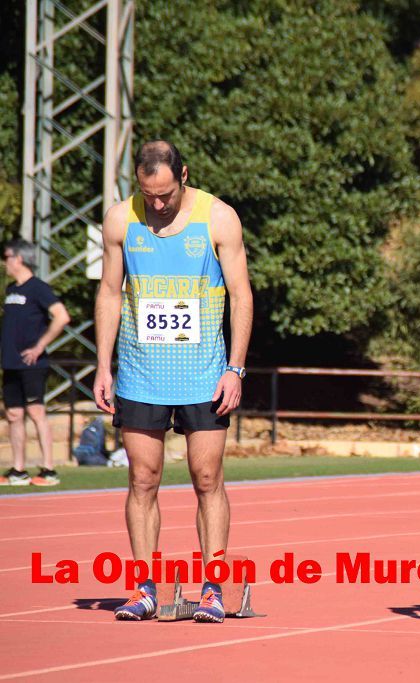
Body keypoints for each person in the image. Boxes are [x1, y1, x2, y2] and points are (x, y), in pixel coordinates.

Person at [93, 141, 253, 622]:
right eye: (149, 195)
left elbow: (242, 296)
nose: (158, 205)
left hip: (204, 374)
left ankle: (212, 588)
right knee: (143, 479)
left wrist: (236, 368)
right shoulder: (121, 219)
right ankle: (143, 587)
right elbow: (109, 292)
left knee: (207, 478)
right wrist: (103, 364)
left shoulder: (219, 218)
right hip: (141, 374)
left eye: (165, 194)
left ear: (183, 174)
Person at [1, 239, 71, 486]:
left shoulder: (38, 288)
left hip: (32, 364)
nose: (5, 261)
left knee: (36, 412)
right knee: (13, 414)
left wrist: (39, 346)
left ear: (19, 258)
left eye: (7, 255)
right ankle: (18, 470)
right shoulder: (11, 290)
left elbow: (62, 317)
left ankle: (48, 470)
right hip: (11, 363)